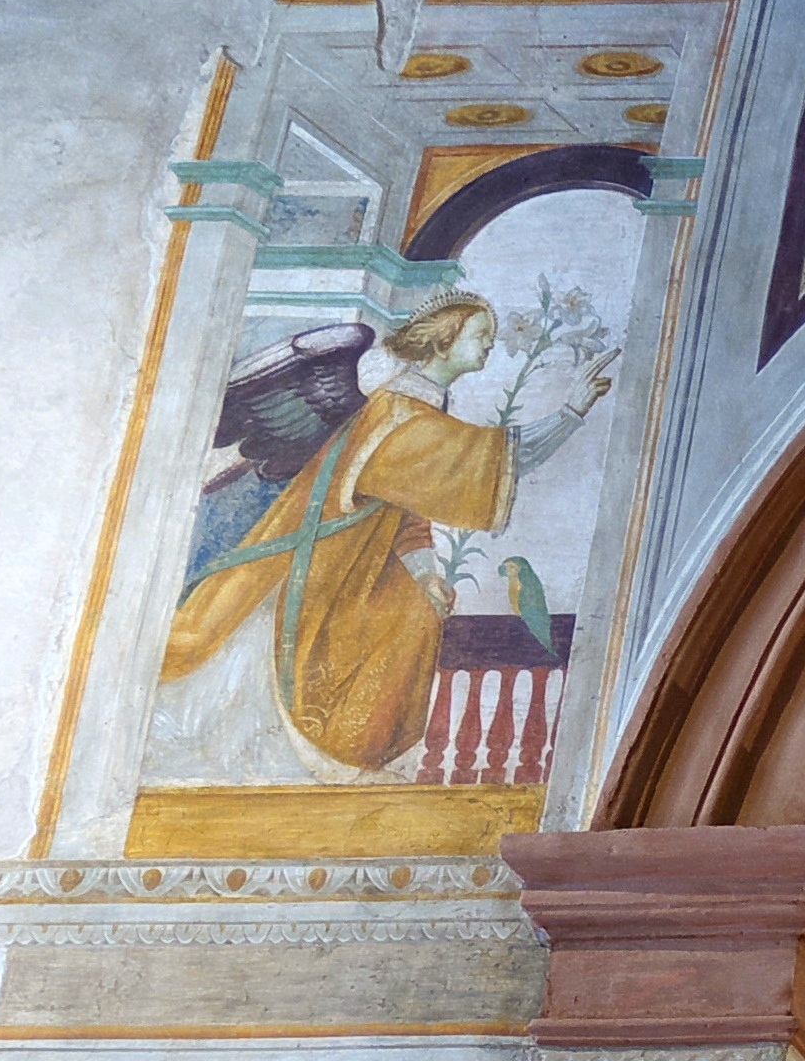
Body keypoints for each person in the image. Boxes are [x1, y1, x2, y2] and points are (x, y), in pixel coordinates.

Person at [156, 289, 608, 773]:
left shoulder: (418, 412)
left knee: (418, 612)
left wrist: (425, 573)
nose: (489, 346)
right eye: (480, 336)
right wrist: (570, 413)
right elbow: (494, 459)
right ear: (442, 341)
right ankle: (336, 757)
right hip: (322, 573)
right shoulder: (401, 416)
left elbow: (404, 514)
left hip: (357, 563)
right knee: (404, 623)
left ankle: (361, 755)